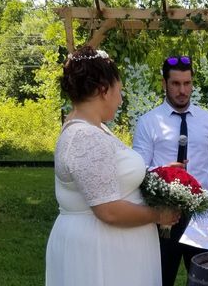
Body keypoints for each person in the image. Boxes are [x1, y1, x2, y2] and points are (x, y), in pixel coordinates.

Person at [46, 46, 180, 286]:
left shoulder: (94, 128)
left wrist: (156, 175)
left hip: (115, 248)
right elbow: (108, 210)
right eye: (119, 91)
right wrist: (159, 215)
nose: (120, 99)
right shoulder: (85, 137)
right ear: (103, 90)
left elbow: (109, 176)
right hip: (101, 252)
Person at [133, 55, 208, 286]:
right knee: (160, 277)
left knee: (205, 280)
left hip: (202, 214)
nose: (182, 90)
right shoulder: (149, 122)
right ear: (164, 84)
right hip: (164, 215)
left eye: (187, 83)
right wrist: (163, 172)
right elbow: (137, 169)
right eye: (176, 84)